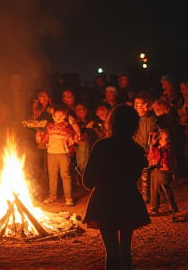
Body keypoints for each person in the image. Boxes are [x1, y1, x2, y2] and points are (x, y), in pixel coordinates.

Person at [82, 105, 151, 270]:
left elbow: (88, 182)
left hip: (105, 202)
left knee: (112, 252)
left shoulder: (101, 146)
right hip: (128, 201)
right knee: (125, 252)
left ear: (111, 123)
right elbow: (133, 175)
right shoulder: (136, 150)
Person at [36, 105, 76, 206]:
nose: (58, 118)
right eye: (56, 116)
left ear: (64, 117)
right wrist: (40, 137)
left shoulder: (67, 128)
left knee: (65, 175)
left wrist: (70, 140)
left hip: (63, 153)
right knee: (52, 175)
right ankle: (52, 196)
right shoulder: (49, 127)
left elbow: (71, 140)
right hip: (51, 153)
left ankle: (68, 197)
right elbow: (45, 140)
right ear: (53, 116)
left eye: (61, 116)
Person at [147, 129, 179, 214]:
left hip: (164, 170)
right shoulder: (162, 148)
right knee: (155, 189)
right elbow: (151, 158)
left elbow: (158, 158)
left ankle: (172, 207)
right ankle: (155, 207)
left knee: (165, 189)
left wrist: (153, 148)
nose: (167, 139)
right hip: (158, 170)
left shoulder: (166, 149)